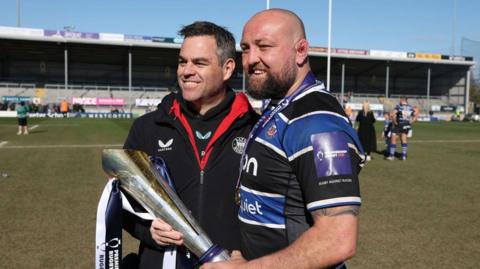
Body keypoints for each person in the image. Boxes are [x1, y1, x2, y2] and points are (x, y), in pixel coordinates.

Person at [202, 9, 364, 269]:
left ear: (300, 51)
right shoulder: (280, 109)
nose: (251, 59)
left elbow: (337, 239)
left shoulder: (318, 122)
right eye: (245, 48)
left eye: (264, 46)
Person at [122, 21, 258, 269]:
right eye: (182, 62)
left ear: (227, 69)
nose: (186, 71)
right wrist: (147, 231)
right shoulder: (148, 128)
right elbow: (122, 204)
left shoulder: (256, 130)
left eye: (199, 63)